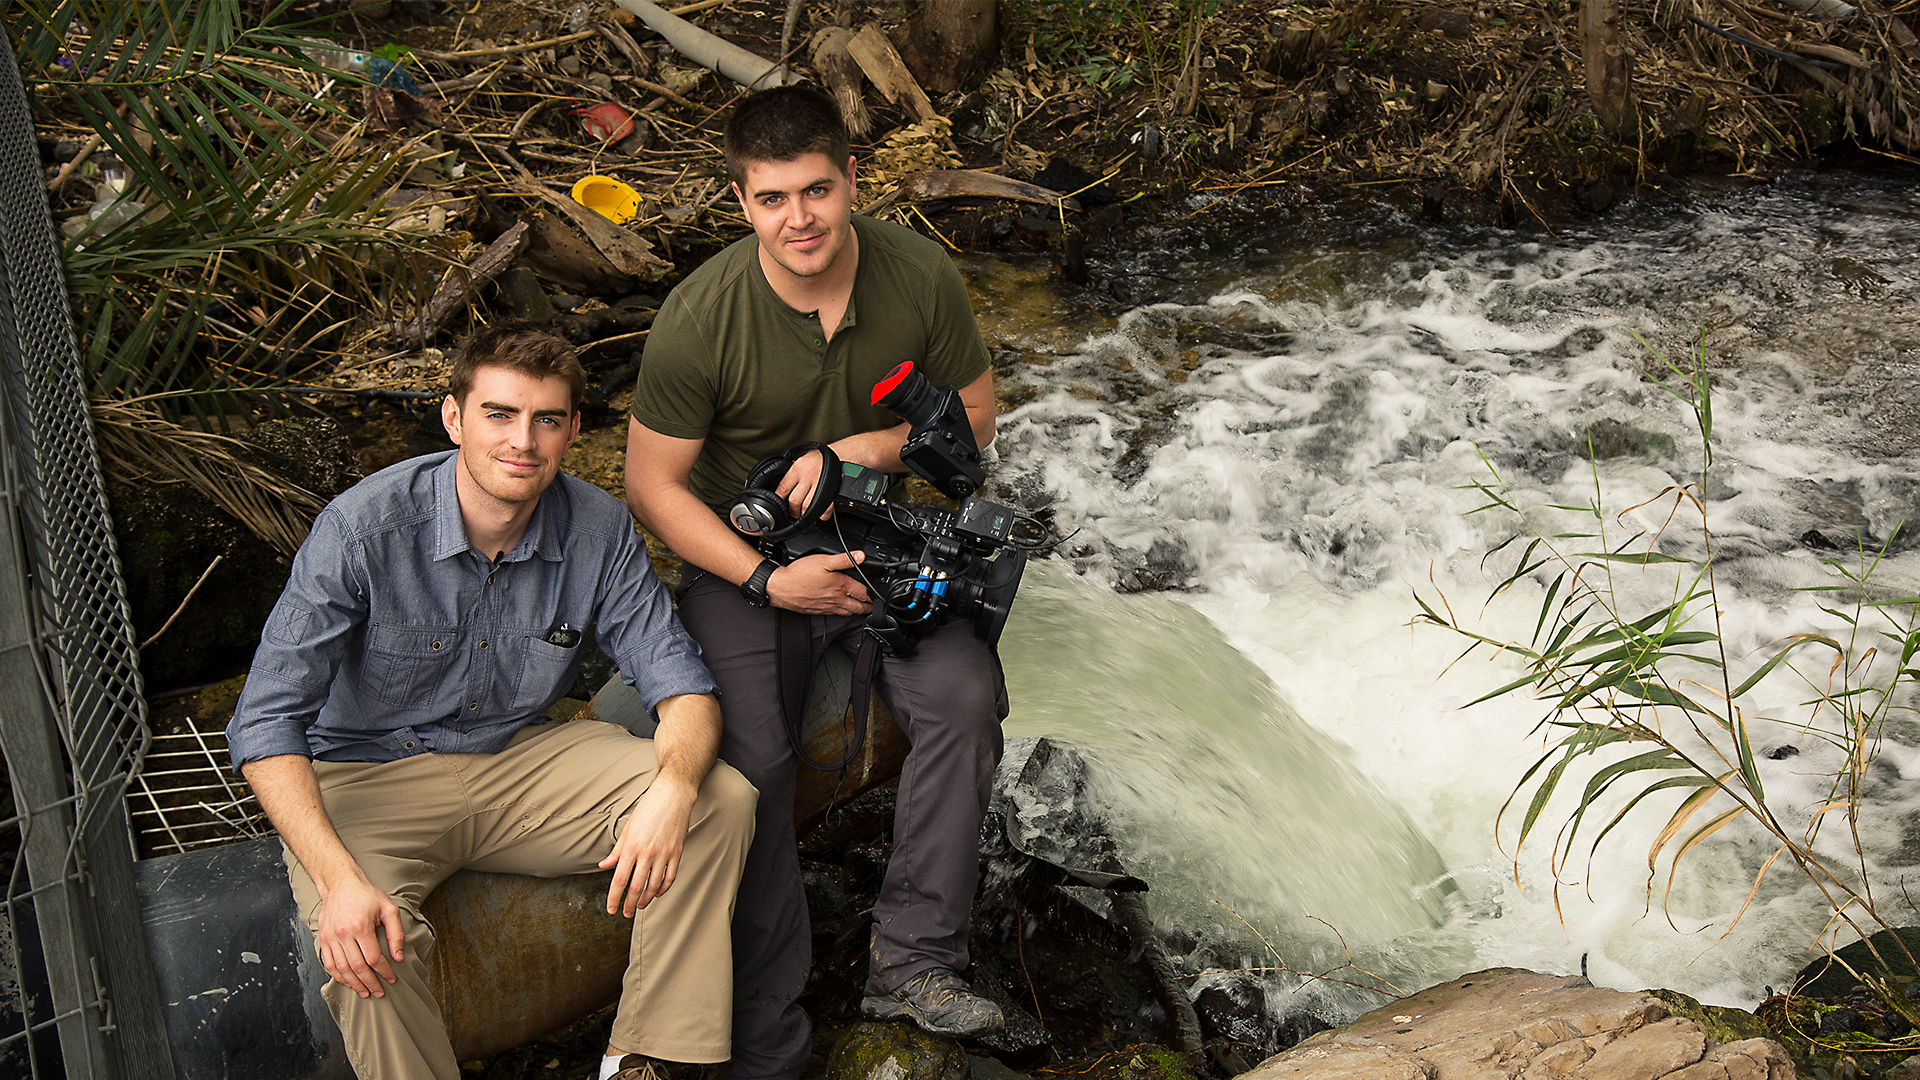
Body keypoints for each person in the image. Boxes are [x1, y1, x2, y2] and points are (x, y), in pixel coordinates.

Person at [227, 322, 758, 1080]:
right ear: (454, 418)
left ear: (574, 429)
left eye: (546, 420)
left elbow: (682, 684)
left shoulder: (599, 527)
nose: (523, 442)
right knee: (366, 950)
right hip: (364, 777)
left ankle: (642, 1057)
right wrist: (340, 883)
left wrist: (672, 789)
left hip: (518, 757)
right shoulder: (362, 529)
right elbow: (265, 722)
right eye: (499, 415)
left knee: (720, 798)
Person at [624, 84, 1009, 1080]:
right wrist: (763, 578)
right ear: (742, 202)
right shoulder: (700, 316)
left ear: (849, 182)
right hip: (748, 562)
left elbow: (975, 418)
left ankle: (915, 963)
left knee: (967, 697)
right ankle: (765, 1028)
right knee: (749, 765)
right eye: (771, 199)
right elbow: (652, 488)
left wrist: (862, 447)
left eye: (816, 193)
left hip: (885, 536)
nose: (798, 220)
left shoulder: (917, 273)